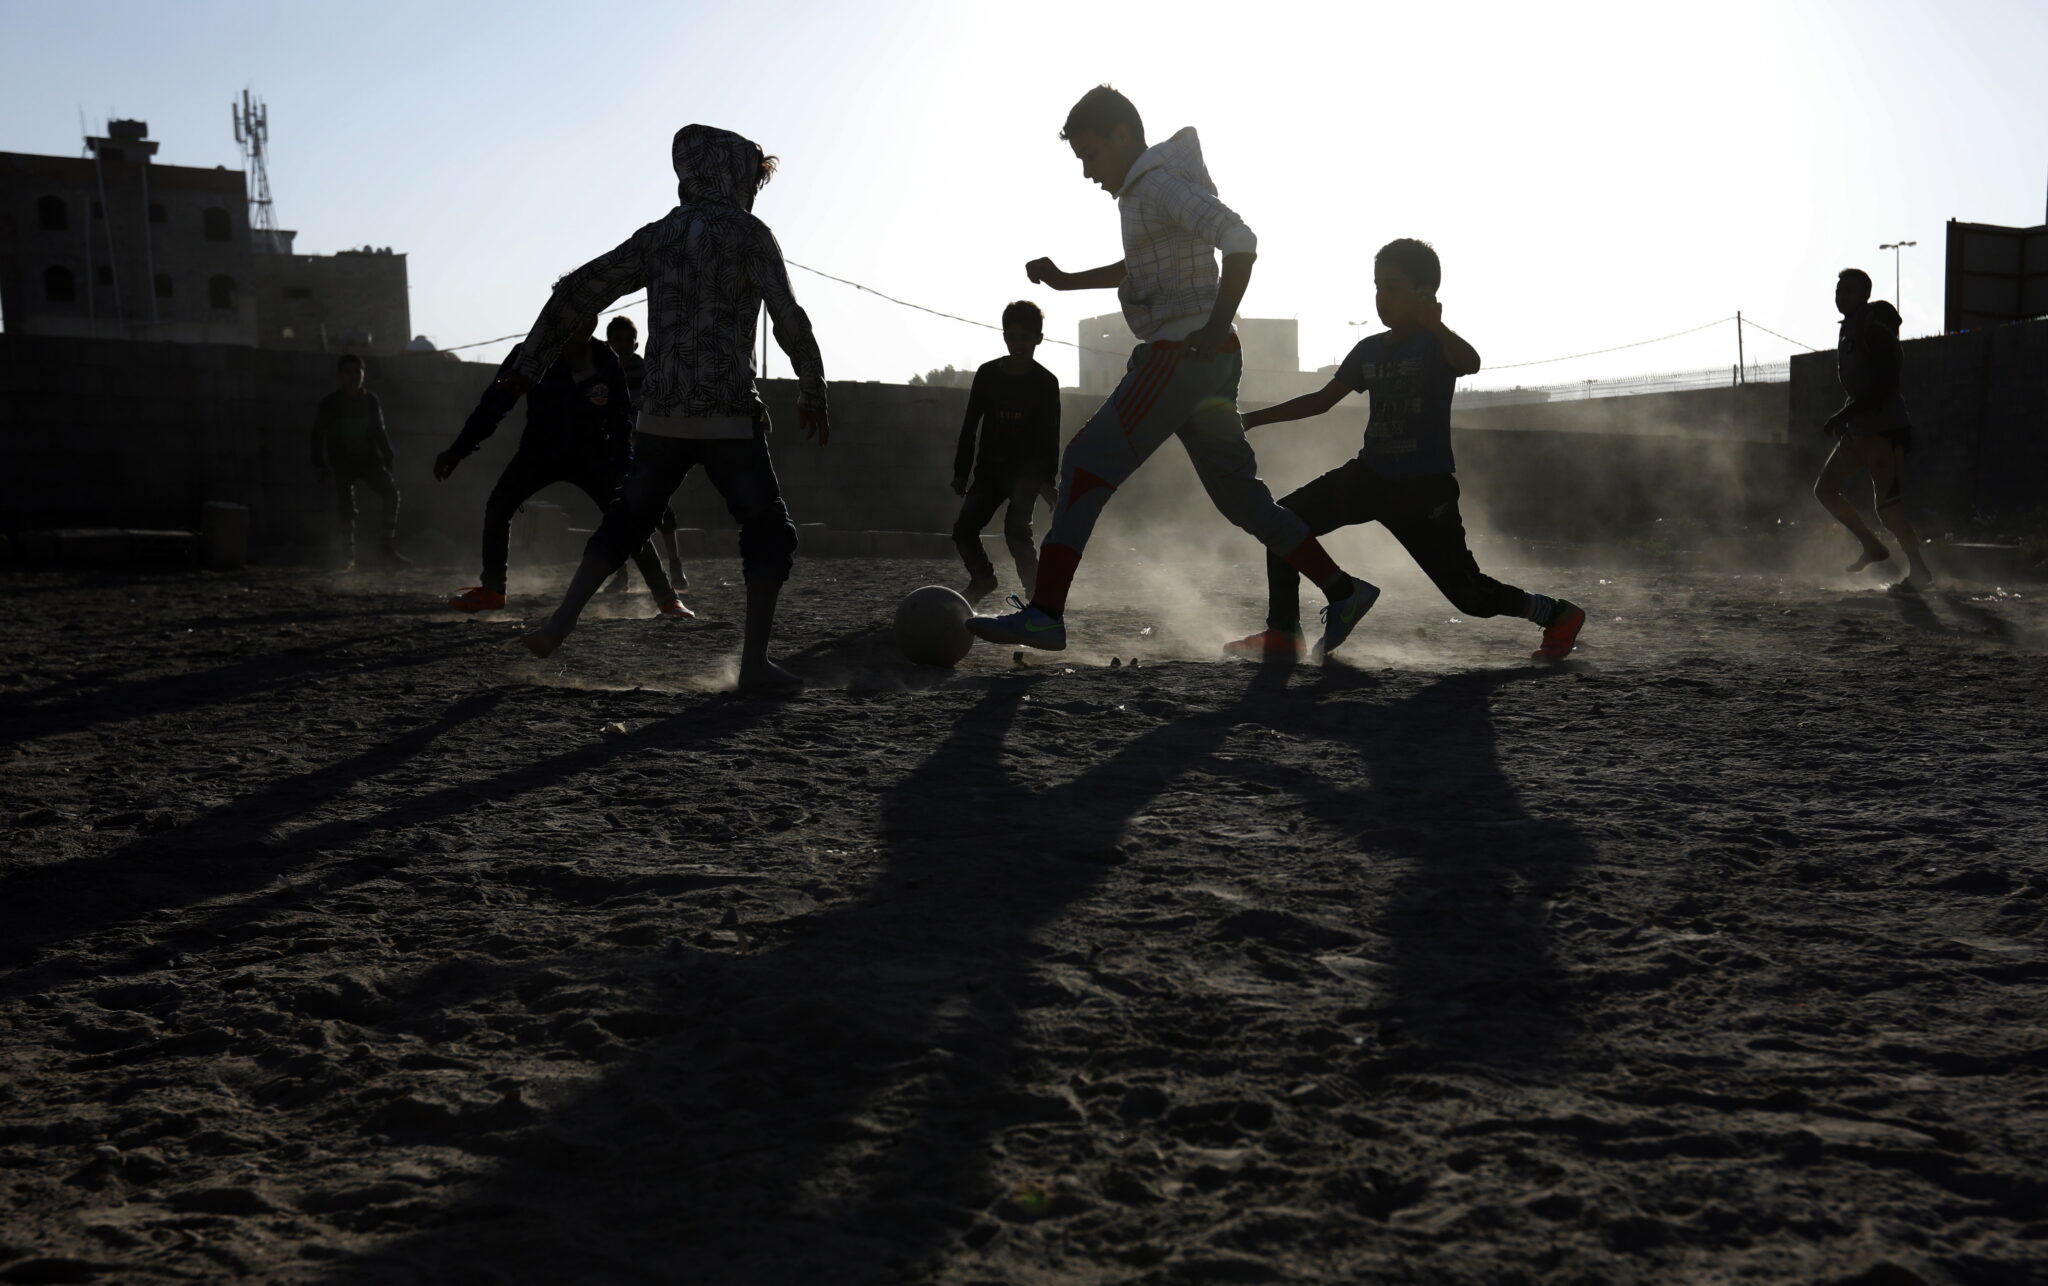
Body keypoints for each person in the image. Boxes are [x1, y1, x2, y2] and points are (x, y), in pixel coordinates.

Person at [968, 85, 1373, 657]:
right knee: (1242, 500)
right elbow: (1140, 265)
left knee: (1084, 462)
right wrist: (1066, 280)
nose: (1086, 171)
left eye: (1090, 154)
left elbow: (1240, 239)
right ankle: (1344, 590)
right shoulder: (1145, 192)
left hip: (1179, 356)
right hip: (1206, 361)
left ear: (1123, 136)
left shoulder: (1153, 184)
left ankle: (1045, 614)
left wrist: (1211, 326)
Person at [513, 124, 829, 696]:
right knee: (769, 531)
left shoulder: (657, 236)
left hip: (660, 418)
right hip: (728, 416)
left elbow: (580, 290)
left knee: (626, 520)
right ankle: (754, 664)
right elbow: (788, 316)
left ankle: (559, 624)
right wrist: (813, 389)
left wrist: (528, 365)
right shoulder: (750, 234)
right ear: (733, 174)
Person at [1223, 239, 1585, 661]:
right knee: (1281, 526)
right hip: (1369, 477)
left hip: (1423, 491)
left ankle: (1555, 614)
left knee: (1469, 596)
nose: (1381, 298)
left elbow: (1470, 362)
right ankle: (1284, 633)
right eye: (1378, 286)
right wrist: (1250, 420)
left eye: (1393, 287)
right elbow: (1322, 401)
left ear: (1425, 294)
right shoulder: (1370, 349)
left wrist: (1439, 327)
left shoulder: (1436, 344)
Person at [433, 311, 689, 618]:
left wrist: (624, 466)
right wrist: (457, 451)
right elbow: (493, 406)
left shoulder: (603, 356)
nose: (584, 321)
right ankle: (492, 590)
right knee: (499, 506)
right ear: (559, 312)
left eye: (590, 312)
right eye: (576, 311)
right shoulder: (531, 355)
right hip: (540, 451)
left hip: (593, 454)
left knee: (627, 520)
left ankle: (667, 599)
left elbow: (620, 417)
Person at [1815, 267, 1934, 591]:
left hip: (1884, 431)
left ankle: (1919, 570)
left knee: (1888, 508)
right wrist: (1848, 418)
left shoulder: (1874, 329)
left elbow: (1885, 386)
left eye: (1848, 291)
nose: (1841, 297)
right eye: (1838, 291)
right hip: (1858, 431)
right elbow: (1861, 385)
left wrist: (1843, 415)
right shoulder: (1849, 329)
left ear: (1865, 294)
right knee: (1825, 489)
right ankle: (1872, 546)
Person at [951, 300, 1060, 604]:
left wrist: (1047, 481)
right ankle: (983, 578)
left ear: (1039, 338)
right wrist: (961, 472)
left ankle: (1037, 597)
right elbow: (970, 425)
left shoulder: (1045, 383)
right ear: (1003, 336)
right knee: (964, 530)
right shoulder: (987, 375)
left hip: (1025, 476)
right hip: (989, 471)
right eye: (1012, 336)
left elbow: (1050, 437)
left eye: (1025, 337)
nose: (1018, 344)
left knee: (1016, 533)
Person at [604, 315, 688, 593]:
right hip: (619, 450)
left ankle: (674, 565)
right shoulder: (606, 373)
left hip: (647, 446)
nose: (623, 346)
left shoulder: (647, 371)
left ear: (635, 343)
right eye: (617, 340)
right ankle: (621, 573)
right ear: (610, 343)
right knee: (619, 511)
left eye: (627, 340)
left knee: (662, 507)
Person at [311, 353, 408, 570]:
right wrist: (319, 464)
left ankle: (386, 550)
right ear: (340, 375)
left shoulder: (370, 401)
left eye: (358, 371)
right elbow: (316, 435)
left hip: (368, 460)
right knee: (346, 505)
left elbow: (379, 431)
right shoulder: (330, 404)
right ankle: (347, 555)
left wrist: (388, 456)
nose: (354, 376)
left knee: (391, 494)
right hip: (342, 460)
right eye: (348, 371)